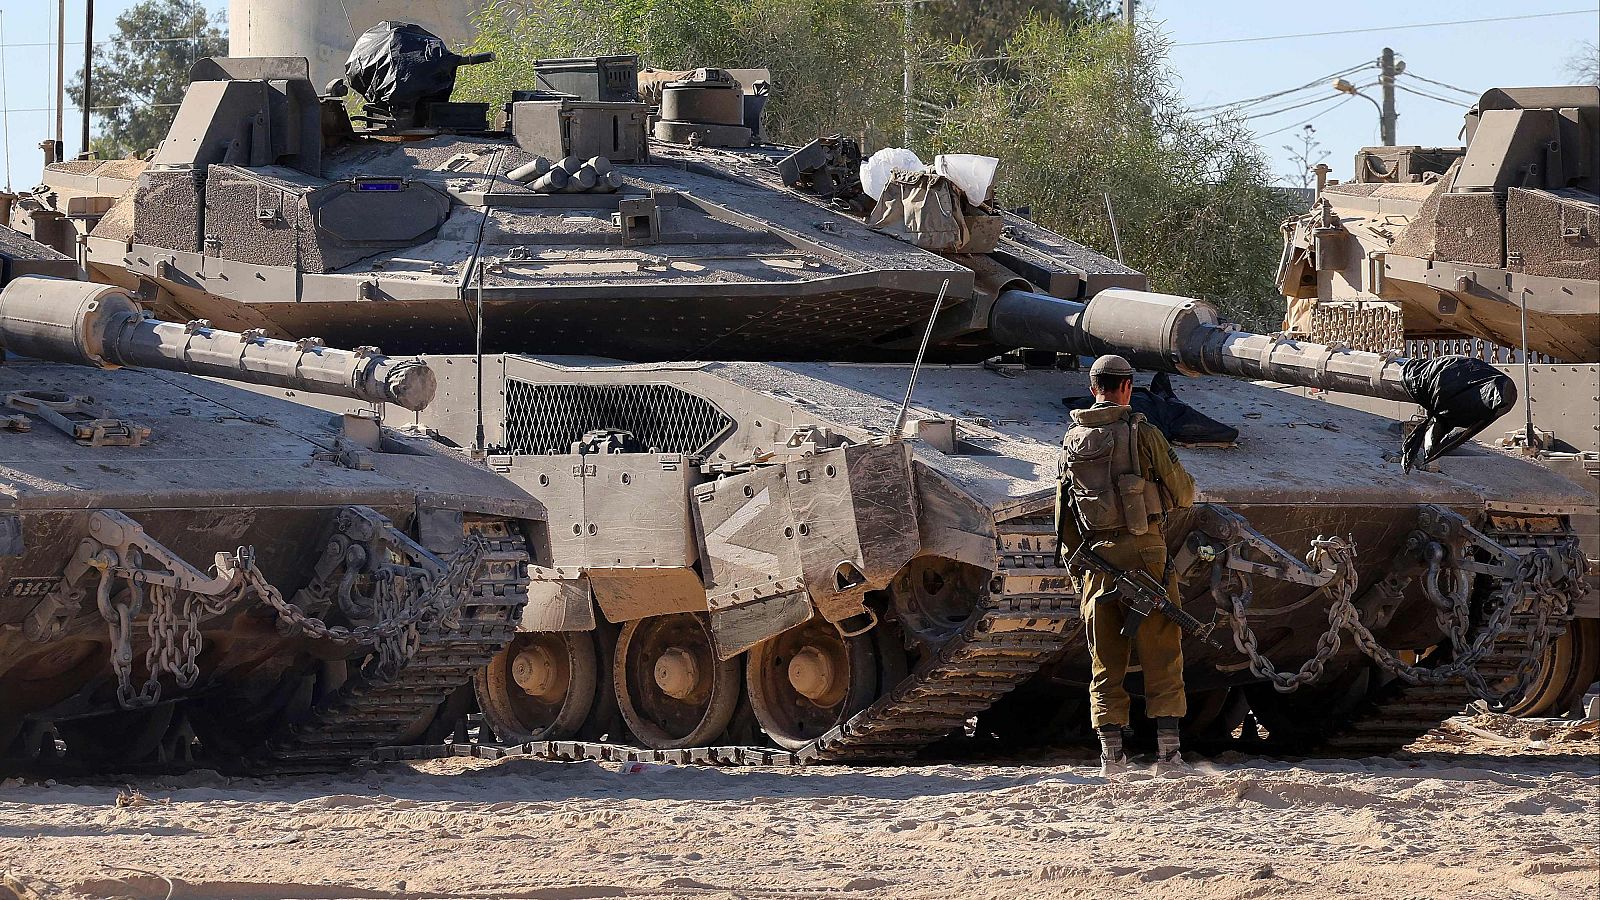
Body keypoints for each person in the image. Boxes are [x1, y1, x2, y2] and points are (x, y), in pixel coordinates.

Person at [1055, 354, 1196, 775]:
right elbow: (1184, 493)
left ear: (1092, 387)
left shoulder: (1071, 439)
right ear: (1127, 387)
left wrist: (1079, 569)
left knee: (1105, 660)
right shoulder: (1142, 432)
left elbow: (1064, 514)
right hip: (1146, 554)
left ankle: (1111, 757)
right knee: (1162, 651)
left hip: (1097, 560)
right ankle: (1168, 756)